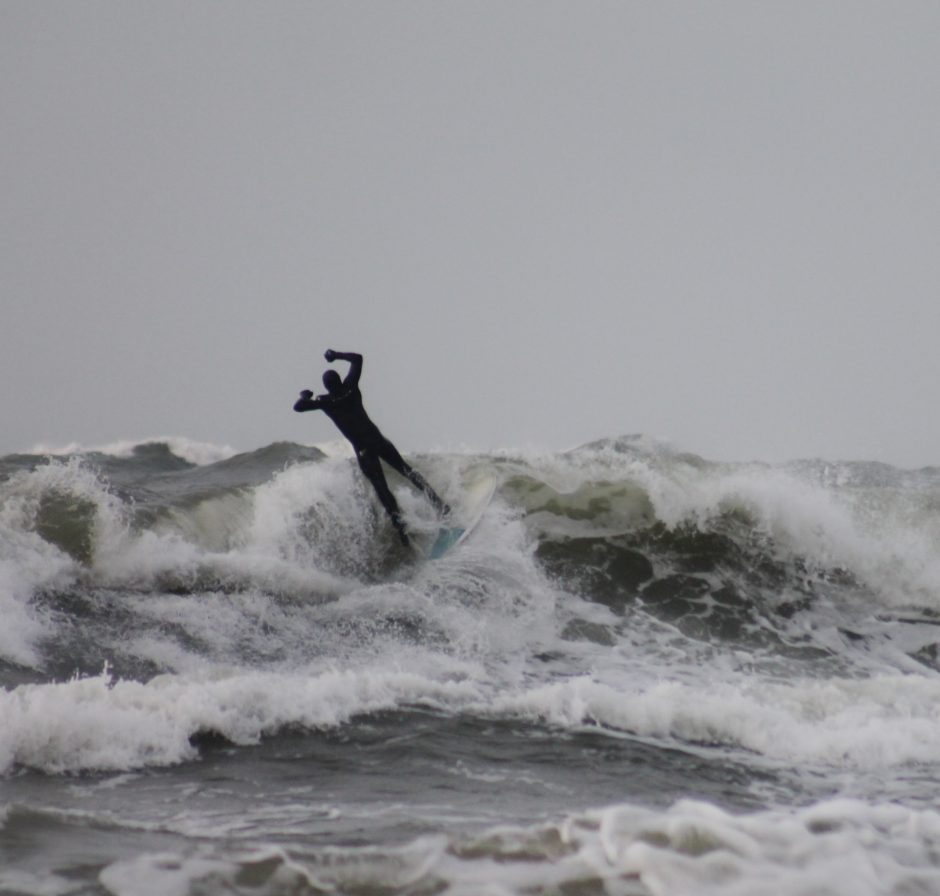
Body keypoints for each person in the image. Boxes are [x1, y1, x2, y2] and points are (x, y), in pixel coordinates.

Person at [293, 349, 449, 546]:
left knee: (382, 489)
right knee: (408, 472)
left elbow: (298, 406)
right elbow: (358, 359)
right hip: (378, 440)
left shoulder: (326, 402)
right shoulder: (350, 388)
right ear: (340, 380)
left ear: (326, 386)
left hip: (363, 450)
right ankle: (441, 506)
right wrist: (336, 355)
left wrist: (304, 394)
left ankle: (403, 534)